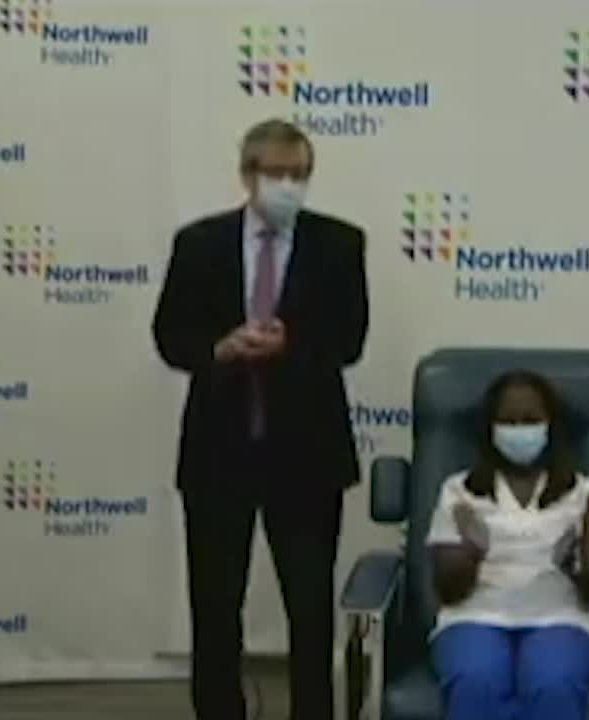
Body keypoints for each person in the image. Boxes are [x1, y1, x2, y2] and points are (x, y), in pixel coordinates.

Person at [151, 118, 368, 720]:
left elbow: (349, 339)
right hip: (219, 454)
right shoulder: (199, 243)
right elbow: (170, 336)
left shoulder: (339, 244)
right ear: (248, 175)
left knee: (310, 608)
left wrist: (290, 344)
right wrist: (220, 348)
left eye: (300, 174)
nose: (289, 185)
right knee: (216, 607)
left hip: (307, 457)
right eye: (277, 173)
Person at [426, 370, 589, 720]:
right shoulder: (459, 491)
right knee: (476, 681)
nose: (519, 430)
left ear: (550, 426)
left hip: (562, 619)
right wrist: (472, 552)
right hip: (474, 616)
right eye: (508, 421)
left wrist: (573, 566)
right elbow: (447, 590)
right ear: (490, 428)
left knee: (553, 683)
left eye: (530, 420)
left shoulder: (585, 493)